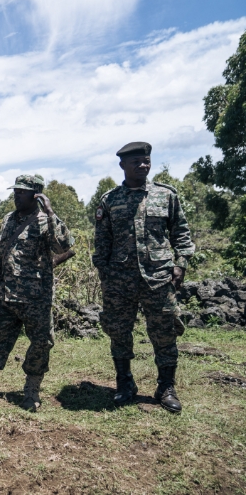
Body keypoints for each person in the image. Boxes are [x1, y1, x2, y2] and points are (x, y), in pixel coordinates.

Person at [92, 142, 195, 413]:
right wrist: (105, 274)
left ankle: (166, 387)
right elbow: (102, 240)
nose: (143, 165)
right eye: (136, 161)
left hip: (159, 278)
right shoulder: (110, 199)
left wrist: (181, 265)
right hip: (119, 280)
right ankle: (125, 384)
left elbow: (181, 233)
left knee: (165, 333)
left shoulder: (166, 195)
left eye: (146, 160)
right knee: (119, 333)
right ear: (122, 165)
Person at [0, 175, 74, 411]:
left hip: (36, 298)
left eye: (22, 192)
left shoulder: (45, 221)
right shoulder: (9, 219)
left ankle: (31, 391)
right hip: (6, 295)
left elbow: (63, 247)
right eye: (15, 191)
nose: (16, 195)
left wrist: (51, 212)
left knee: (41, 343)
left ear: (36, 195)